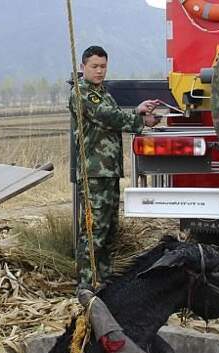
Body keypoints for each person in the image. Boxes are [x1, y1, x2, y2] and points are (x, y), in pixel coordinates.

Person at [70, 45, 160, 289]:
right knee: (93, 229)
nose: (99, 71)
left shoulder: (101, 91)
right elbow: (108, 117)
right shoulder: (82, 93)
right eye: (94, 67)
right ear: (82, 68)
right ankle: (87, 284)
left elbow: (112, 112)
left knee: (108, 229)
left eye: (103, 67)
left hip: (108, 171)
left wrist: (137, 110)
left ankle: (104, 280)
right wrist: (141, 120)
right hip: (93, 172)